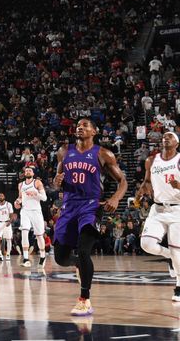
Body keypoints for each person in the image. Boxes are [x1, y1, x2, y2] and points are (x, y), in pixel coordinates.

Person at [53, 118, 127, 316]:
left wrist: (116, 198)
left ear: (94, 131)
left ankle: (84, 299)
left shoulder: (103, 154)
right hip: (69, 206)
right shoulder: (64, 152)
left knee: (85, 250)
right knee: (60, 258)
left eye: (85, 125)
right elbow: (56, 182)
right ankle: (77, 263)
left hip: (91, 206)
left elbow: (123, 181)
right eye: (78, 125)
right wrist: (56, 181)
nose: (80, 127)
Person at [137, 132, 180, 301]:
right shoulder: (151, 160)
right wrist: (142, 191)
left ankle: (178, 285)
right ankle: (168, 254)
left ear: (177, 143)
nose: (166, 137)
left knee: (178, 252)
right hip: (158, 208)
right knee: (146, 244)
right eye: (165, 135)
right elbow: (147, 182)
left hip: (177, 210)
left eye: (171, 136)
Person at [14, 165, 48, 269]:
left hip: (36, 211)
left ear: (33, 173)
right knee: (24, 232)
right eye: (26, 170)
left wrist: (35, 193)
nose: (28, 172)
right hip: (25, 211)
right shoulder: (20, 185)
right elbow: (20, 197)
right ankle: (26, 259)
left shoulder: (37, 182)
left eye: (30, 170)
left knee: (39, 235)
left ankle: (42, 256)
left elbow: (44, 198)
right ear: (24, 173)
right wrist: (17, 202)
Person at [0, 193, 14, 262]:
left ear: (4, 197)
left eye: (1, 196)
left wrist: (10, 221)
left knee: (8, 239)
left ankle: (8, 254)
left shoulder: (8, 204)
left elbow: (11, 214)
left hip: (6, 222)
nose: (0, 197)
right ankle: (0, 255)